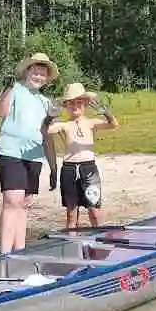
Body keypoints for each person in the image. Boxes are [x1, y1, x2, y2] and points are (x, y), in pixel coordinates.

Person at [0, 52, 59, 253]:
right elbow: (0, 111)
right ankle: (4, 254)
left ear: (47, 78)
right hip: (11, 151)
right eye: (35, 71)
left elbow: (47, 136)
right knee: (12, 201)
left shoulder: (46, 103)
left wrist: (53, 167)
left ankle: (19, 251)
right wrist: (7, 88)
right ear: (27, 71)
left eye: (42, 74)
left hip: (34, 157)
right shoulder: (15, 89)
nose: (38, 76)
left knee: (24, 204)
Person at [45, 82, 118, 231]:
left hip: (89, 169)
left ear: (85, 104)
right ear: (65, 105)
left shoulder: (91, 123)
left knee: (94, 211)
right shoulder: (64, 125)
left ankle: (99, 243)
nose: (75, 106)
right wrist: (49, 117)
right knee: (71, 214)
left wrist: (105, 112)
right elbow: (45, 130)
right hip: (69, 169)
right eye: (71, 103)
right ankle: (72, 244)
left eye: (79, 102)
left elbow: (113, 124)